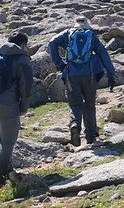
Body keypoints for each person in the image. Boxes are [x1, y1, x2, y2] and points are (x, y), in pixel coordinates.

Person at [47, 16, 115, 147]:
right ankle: (90, 136)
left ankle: (74, 125)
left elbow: (51, 43)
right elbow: (103, 53)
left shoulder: (67, 34)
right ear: (87, 25)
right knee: (89, 104)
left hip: (71, 75)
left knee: (75, 104)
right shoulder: (91, 35)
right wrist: (111, 74)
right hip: (90, 75)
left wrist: (60, 64)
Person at [0, 32, 33, 188]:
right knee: (8, 142)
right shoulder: (22, 59)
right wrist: (24, 108)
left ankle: (9, 170)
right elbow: (26, 86)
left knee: (4, 139)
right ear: (23, 44)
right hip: (7, 104)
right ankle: (2, 175)